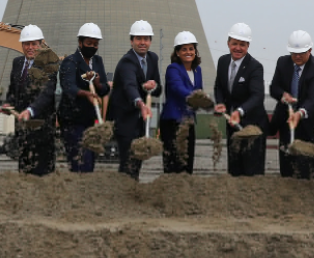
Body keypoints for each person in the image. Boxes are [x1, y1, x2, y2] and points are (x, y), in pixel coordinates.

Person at [270, 30, 314, 179]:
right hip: (287, 124)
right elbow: (274, 88)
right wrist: (283, 97)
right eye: (294, 53)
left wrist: (300, 113)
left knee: (308, 172)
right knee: (287, 171)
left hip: (309, 127)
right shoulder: (282, 63)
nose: (297, 56)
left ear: (310, 50)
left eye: (301, 53)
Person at [213, 23, 269, 176]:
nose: (238, 48)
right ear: (228, 43)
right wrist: (220, 103)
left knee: (252, 169)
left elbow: (257, 96)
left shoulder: (255, 67)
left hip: (253, 125)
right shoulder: (223, 62)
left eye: (242, 45)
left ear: (248, 45)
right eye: (234, 44)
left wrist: (239, 111)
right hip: (232, 124)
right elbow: (219, 86)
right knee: (234, 166)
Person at [108, 20, 162, 179]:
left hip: (140, 120)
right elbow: (129, 85)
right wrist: (140, 103)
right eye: (139, 39)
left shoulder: (153, 59)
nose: (142, 42)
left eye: (146, 39)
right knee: (128, 159)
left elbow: (158, 90)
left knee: (138, 159)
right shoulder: (127, 61)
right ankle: (125, 190)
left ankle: (133, 188)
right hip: (125, 118)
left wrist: (153, 85)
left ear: (150, 41)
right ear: (132, 41)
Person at [8, 25, 59, 176]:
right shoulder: (17, 63)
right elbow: (13, 90)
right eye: (26, 44)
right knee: (24, 170)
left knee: (42, 172)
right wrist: (8, 104)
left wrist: (30, 110)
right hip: (23, 129)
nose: (30, 47)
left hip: (42, 129)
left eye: (34, 44)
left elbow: (47, 93)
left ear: (41, 44)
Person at [58, 23, 109, 173]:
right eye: (89, 43)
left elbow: (105, 88)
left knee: (90, 159)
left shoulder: (98, 61)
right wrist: (86, 94)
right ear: (80, 43)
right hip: (72, 118)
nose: (92, 47)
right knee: (79, 158)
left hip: (89, 119)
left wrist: (99, 85)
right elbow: (68, 86)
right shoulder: (70, 62)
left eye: (95, 44)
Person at [159, 31, 204, 174]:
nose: (188, 52)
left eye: (191, 49)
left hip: (188, 121)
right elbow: (177, 87)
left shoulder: (198, 71)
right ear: (177, 52)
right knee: (173, 161)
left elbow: (199, 90)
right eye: (184, 49)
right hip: (173, 122)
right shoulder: (173, 69)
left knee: (187, 161)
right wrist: (194, 97)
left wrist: (204, 101)